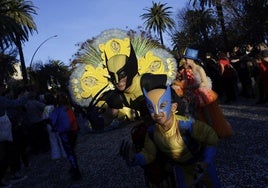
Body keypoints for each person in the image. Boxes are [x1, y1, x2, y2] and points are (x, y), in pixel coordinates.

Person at [120, 85, 221, 187]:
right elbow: (149, 154)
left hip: (200, 164)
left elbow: (211, 139)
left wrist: (206, 161)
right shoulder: (152, 132)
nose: (156, 113)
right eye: (151, 108)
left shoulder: (187, 125)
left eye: (162, 106)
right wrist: (134, 158)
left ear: (173, 107)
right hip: (181, 169)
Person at [172, 48, 234, 138]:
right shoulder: (186, 71)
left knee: (207, 114)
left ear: (191, 59)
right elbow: (185, 82)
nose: (185, 61)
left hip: (201, 94)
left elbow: (205, 82)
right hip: (192, 94)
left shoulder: (199, 68)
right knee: (197, 115)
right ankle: (204, 133)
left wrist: (196, 86)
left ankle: (213, 133)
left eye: (186, 59)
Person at [49, 92, 82, 181]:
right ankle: (73, 167)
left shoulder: (56, 111)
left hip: (65, 133)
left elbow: (52, 121)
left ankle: (76, 171)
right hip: (74, 132)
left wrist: (54, 127)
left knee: (70, 153)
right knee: (72, 151)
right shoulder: (69, 108)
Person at [0, 85, 28, 188]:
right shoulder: (2, 99)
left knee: (7, 154)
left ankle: (11, 174)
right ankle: (8, 176)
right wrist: (24, 96)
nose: (4, 88)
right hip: (5, 131)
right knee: (6, 155)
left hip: (5, 130)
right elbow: (16, 104)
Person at [42, 92, 66, 160]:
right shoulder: (55, 106)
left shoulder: (46, 108)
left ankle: (56, 155)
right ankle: (64, 153)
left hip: (50, 126)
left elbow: (45, 119)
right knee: (61, 139)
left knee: (53, 141)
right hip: (56, 125)